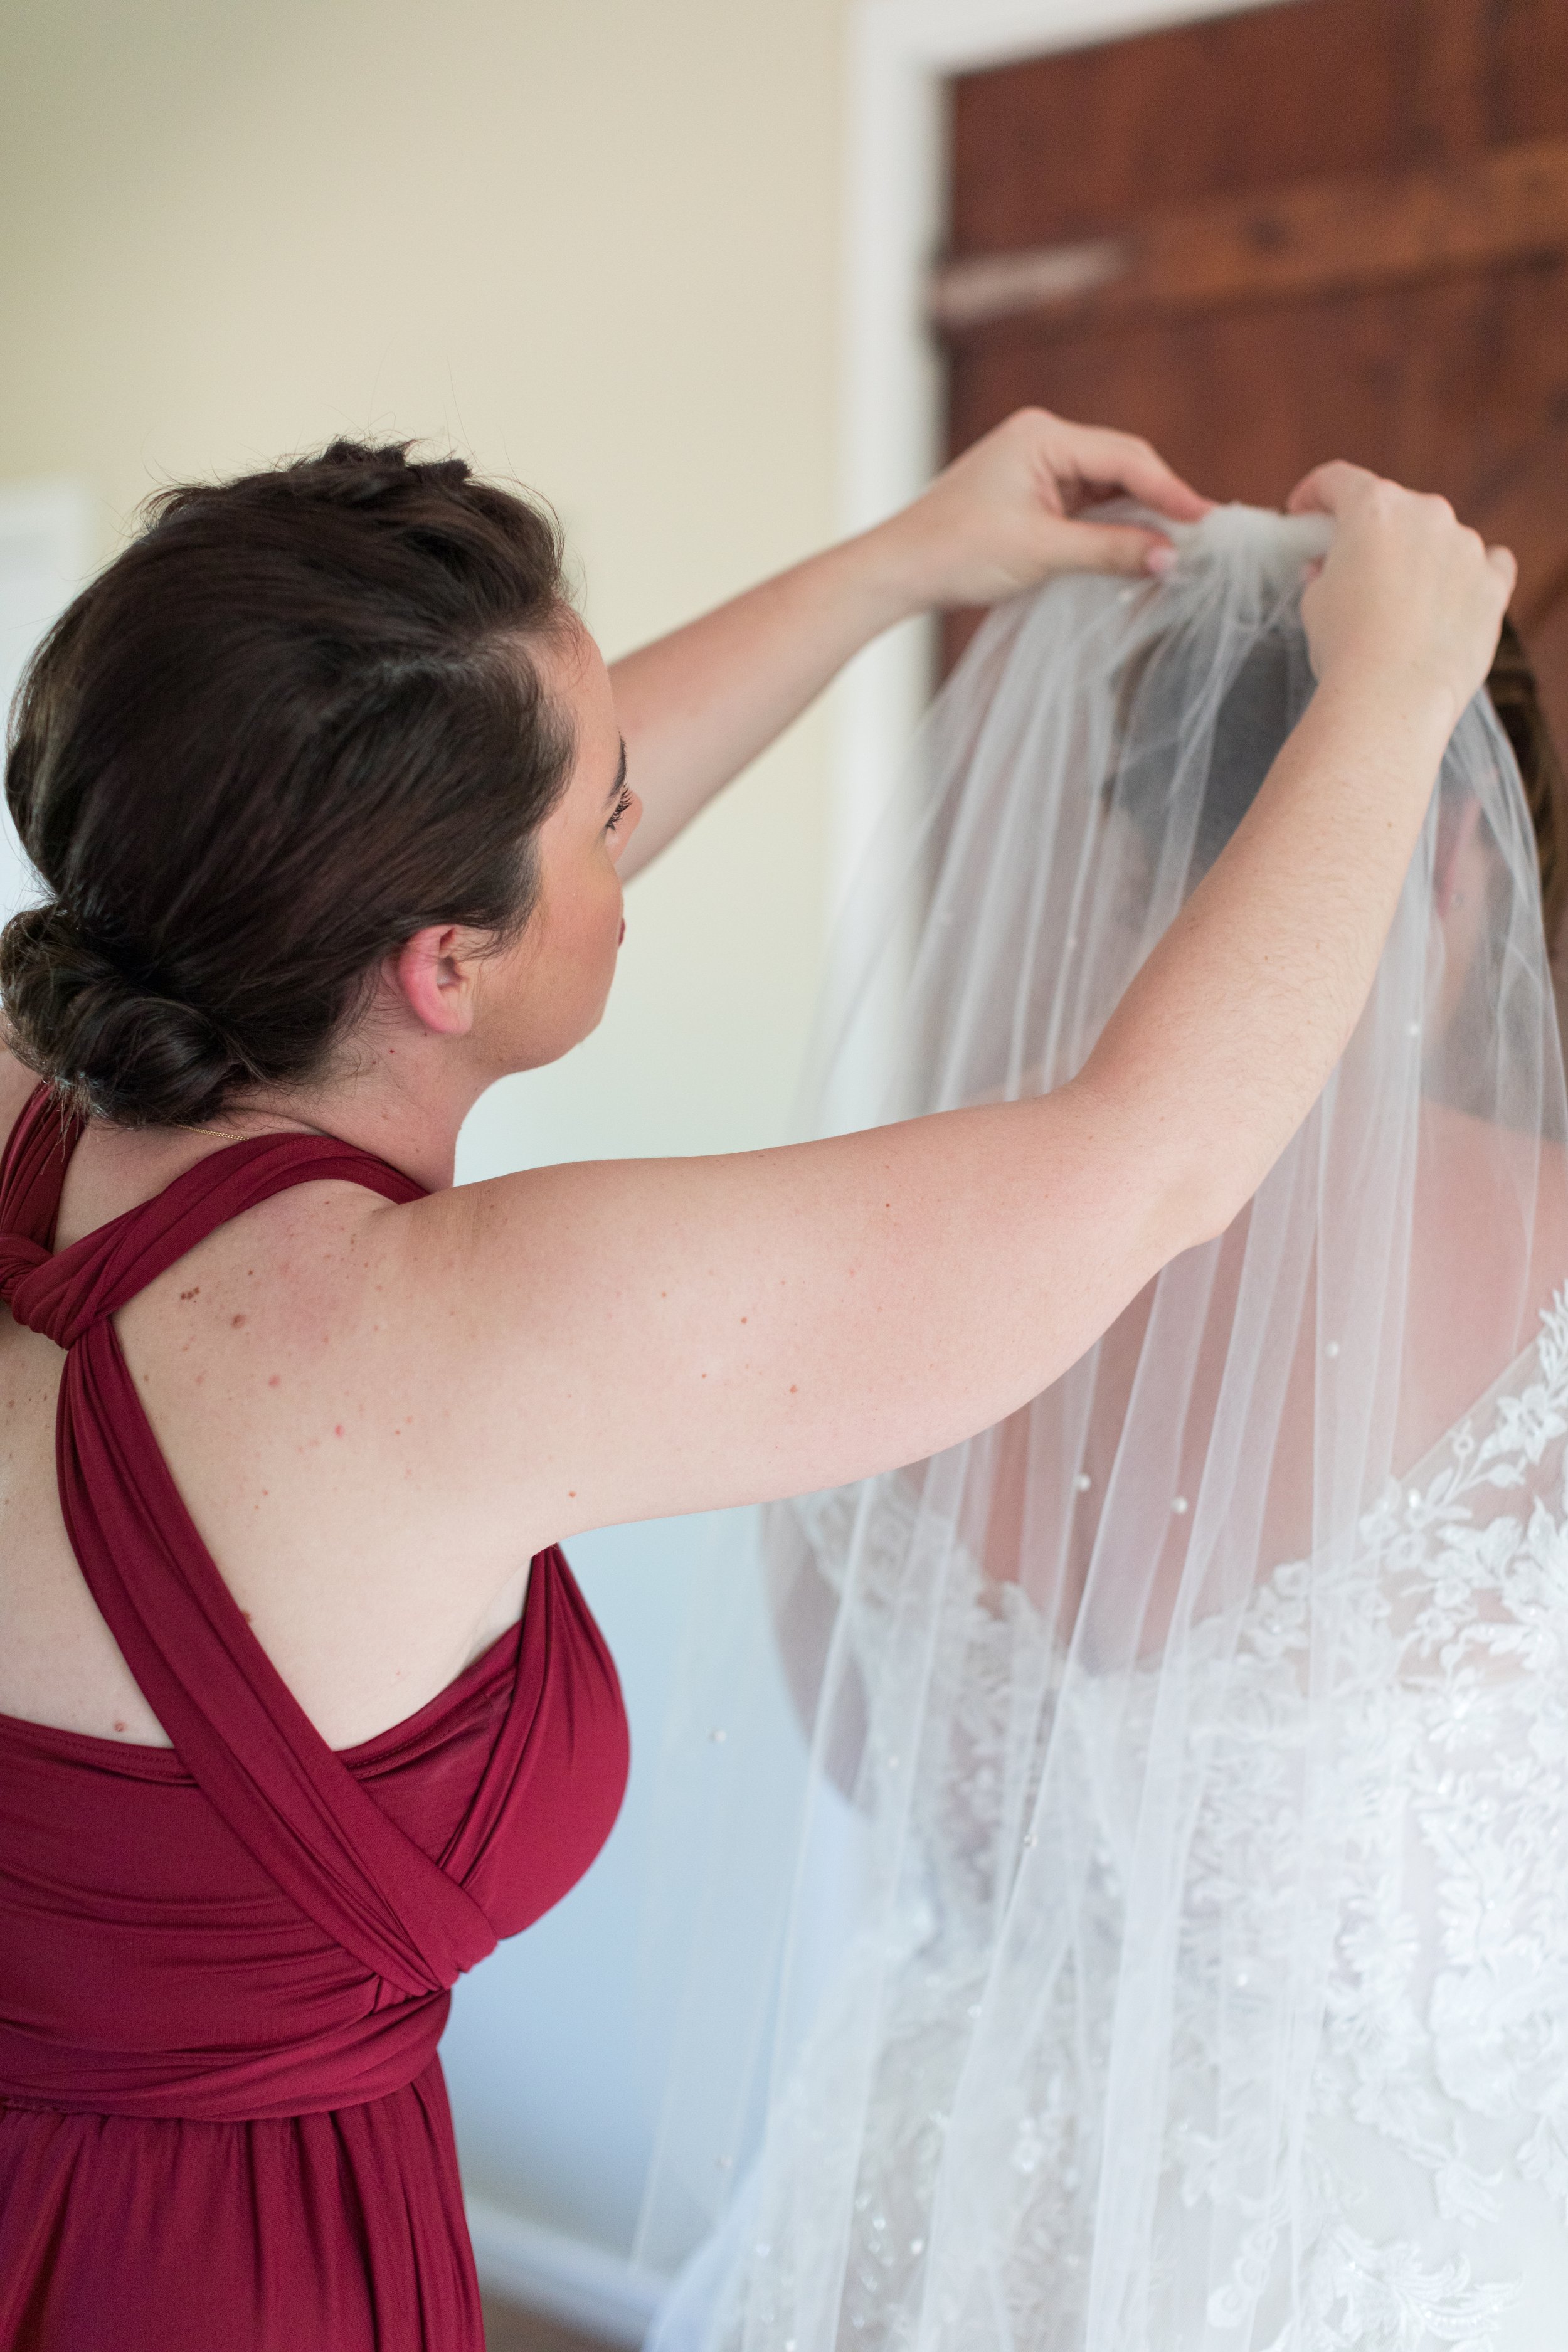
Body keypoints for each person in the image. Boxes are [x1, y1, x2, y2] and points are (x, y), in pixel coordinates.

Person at [0, 412, 1511, 2352]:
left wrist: (901, 564)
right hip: (200, 2284)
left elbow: (417, 846)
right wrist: (1389, 697)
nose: (638, 846)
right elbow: (1149, 1167)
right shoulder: (453, 1327)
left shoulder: (47, 1115)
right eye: (607, 814)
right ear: (444, 958)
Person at [637, 501, 1568, 2352]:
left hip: (911, 2213)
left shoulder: (916, 1238)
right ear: (1460, 857)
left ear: (1122, 860)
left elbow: (840, 1734)